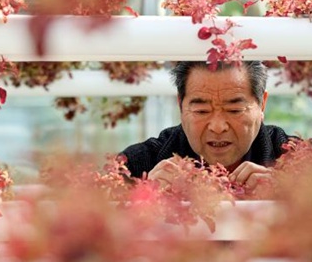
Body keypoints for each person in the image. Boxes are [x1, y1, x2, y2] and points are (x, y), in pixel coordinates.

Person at [120, 60, 293, 191]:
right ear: (181, 105)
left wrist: (286, 203)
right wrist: (144, 197)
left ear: (262, 104)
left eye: (234, 110)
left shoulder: (299, 159)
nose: (217, 127)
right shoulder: (134, 165)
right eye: (202, 111)